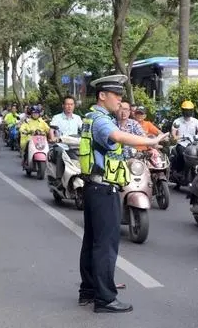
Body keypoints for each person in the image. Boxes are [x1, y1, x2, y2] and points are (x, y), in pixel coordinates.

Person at [78, 74, 168, 313]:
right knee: (105, 244)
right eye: (116, 95)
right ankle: (105, 299)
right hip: (103, 188)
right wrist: (150, 142)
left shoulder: (93, 117)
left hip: (93, 186)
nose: (120, 100)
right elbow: (117, 137)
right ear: (102, 96)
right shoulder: (101, 121)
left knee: (92, 241)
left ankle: (88, 290)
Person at [171, 101, 198, 172]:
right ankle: (180, 172)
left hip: (193, 144)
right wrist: (176, 137)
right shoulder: (177, 121)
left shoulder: (195, 121)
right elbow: (173, 134)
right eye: (186, 110)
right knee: (182, 154)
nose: (188, 112)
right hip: (181, 144)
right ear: (182, 110)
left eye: (189, 110)